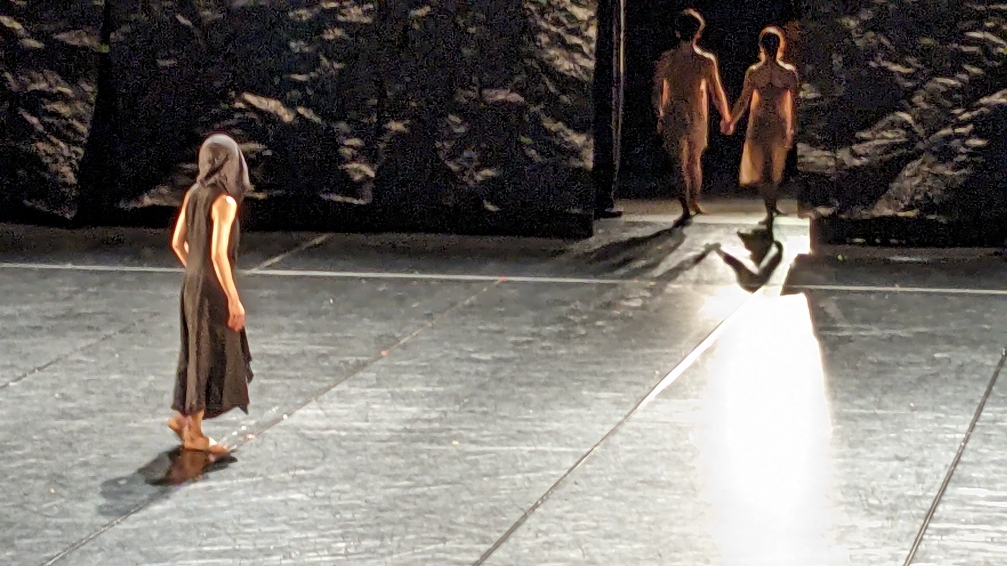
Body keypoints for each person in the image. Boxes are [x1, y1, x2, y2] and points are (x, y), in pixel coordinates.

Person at [167, 133, 254, 455]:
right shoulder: (224, 202)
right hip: (211, 290)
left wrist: (195, 269)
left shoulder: (194, 192)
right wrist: (233, 298)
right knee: (208, 354)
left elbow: (177, 242)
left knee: (192, 349)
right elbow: (218, 254)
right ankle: (195, 432)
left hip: (192, 285)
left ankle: (182, 416)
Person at [653, 8, 731, 227]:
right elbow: (717, 92)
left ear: (678, 32)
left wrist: (659, 114)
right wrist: (726, 117)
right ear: (698, 32)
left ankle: (688, 206)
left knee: (680, 163)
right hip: (694, 113)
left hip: (676, 113)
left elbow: (657, 91)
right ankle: (692, 203)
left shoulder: (669, 59)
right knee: (693, 161)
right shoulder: (704, 60)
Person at [724, 26, 800, 227]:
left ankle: (770, 207)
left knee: (767, 167)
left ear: (761, 46)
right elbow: (796, 105)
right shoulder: (788, 72)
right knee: (771, 167)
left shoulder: (755, 72)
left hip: (761, 122)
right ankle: (770, 207)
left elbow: (743, 101)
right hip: (778, 123)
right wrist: (793, 127)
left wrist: (731, 120)